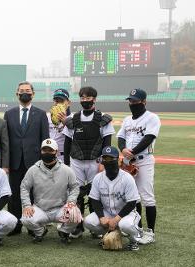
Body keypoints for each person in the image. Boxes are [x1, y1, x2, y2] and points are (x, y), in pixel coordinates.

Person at [63, 86, 114, 238]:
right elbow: (67, 143)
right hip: (76, 160)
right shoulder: (73, 118)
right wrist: (66, 164)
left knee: (95, 192)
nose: (85, 100)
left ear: (94, 99)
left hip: (95, 160)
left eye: (88, 97)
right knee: (76, 193)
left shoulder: (103, 118)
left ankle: (96, 226)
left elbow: (107, 142)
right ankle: (78, 226)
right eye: (82, 98)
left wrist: (104, 162)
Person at [3, 81, 49, 235]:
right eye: (22, 90)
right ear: (17, 93)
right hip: (14, 161)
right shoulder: (9, 114)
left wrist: (45, 162)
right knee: (14, 194)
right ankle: (15, 225)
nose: (25, 93)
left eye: (28, 90)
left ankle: (33, 225)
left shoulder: (41, 114)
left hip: (34, 162)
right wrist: (5, 162)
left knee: (34, 195)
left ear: (33, 94)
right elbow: (6, 140)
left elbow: (45, 140)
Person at [116, 89, 161, 245]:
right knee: (132, 196)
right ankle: (138, 228)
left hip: (144, 160)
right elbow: (120, 137)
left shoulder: (152, 118)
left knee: (147, 196)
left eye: (136, 101)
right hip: (129, 161)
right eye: (131, 101)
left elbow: (149, 138)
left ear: (144, 102)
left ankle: (151, 232)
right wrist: (123, 150)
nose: (133, 103)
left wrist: (132, 152)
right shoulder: (127, 119)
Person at [20, 139, 79, 244]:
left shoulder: (66, 170)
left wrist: (71, 202)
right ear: (41, 151)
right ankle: (40, 231)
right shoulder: (33, 170)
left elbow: (74, 187)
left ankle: (64, 231)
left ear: (56, 151)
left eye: (50, 150)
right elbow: (24, 187)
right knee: (25, 218)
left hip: (61, 208)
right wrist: (27, 205)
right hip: (40, 208)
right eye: (44, 150)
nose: (47, 153)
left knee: (75, 214)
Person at [84, 146, 142, 251]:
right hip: (107, 212)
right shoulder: (98, 178)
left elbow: (132, 202)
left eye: (111, 158)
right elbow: (95, 200)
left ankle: (135, 239)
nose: (108, 161)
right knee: (88, 221)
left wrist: (116, 220)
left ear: (118, 160)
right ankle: (109, 234)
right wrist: (102, 217)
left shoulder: (127, 178)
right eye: (105, 158)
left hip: (127, 213)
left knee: (126, 225)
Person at [47, 89, 72, 162]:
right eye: (56, 101)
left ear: (69, 103)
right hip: (49, 157)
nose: (58, 104)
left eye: (61, 101)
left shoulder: (74, 118)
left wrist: (66, 123)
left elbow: (76, 140)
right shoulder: (47, 117)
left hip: (65, 157)